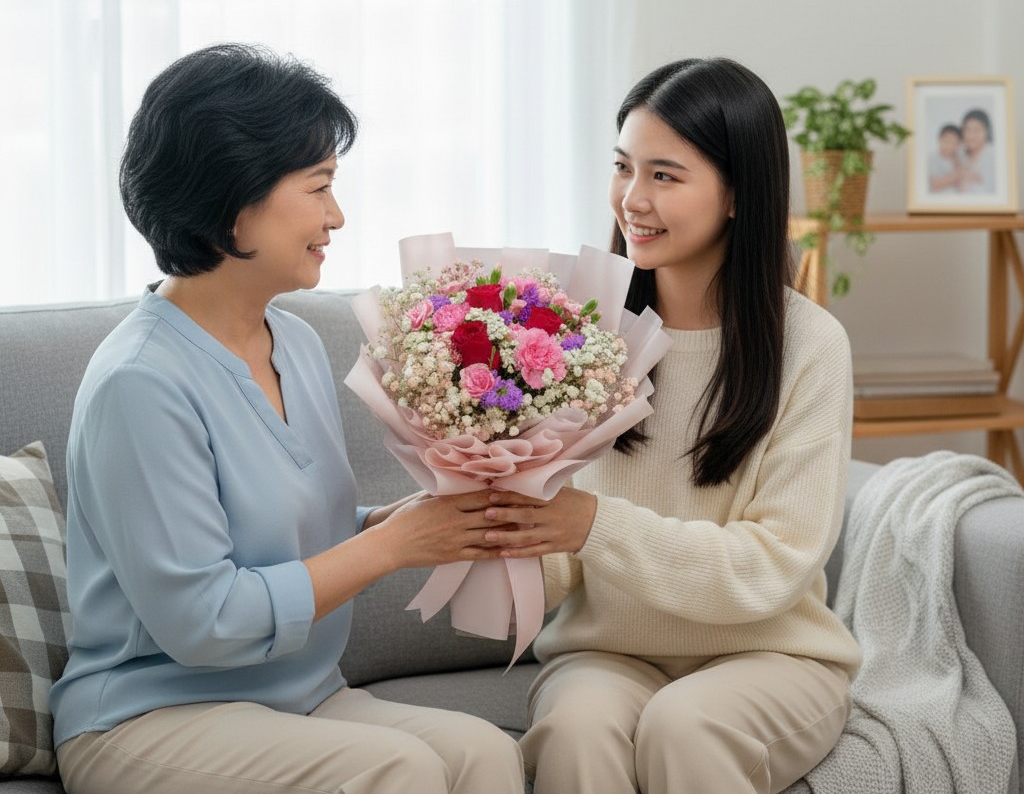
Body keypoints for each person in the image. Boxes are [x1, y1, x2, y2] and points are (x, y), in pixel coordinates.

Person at [49, 43, 524, 794]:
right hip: (151, 713)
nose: (336, 216)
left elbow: (282, 534)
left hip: (295, 695)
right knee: (399, 768)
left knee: (486, 754)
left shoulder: (295, 342)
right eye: (319, 187)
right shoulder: (139, 383)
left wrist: (396, 522)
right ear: (233, 194)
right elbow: (204, 621)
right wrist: (395, 548)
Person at [485, 57, 860, 794]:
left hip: (771, 657)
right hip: (608, 653)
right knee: (576, 728)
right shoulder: (580, 333)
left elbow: (770, 570)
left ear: (735, 195)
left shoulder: (810, 346)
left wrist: (591, 524)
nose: (632, 199)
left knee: (685, 724)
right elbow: (562, 564)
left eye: (665, 175)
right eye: (623, 167)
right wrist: (495, 511)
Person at [957, 107, 996, 193]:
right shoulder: (960, 154)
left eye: (977, 130)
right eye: (967, 129)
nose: (971, 135)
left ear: (987, 131)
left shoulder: (993, 155)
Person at [928, 122, 963, 192]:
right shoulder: (933, 159)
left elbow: (960, 184)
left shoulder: (957, 159)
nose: (946, 145)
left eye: (951, 142)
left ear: (958, 145)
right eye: (945, 140)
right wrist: (958, 175)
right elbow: (934, 184)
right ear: (939, 139)